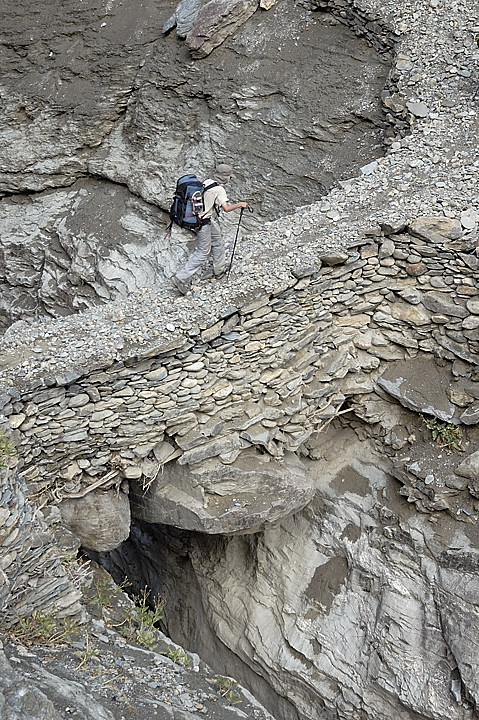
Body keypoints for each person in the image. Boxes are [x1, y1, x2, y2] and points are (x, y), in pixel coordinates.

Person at [171, 163, 248, 295]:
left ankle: (219, 270)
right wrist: (240, 204)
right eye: (229, 177)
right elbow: (226, 208)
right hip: (203, 223)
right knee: (203, 252)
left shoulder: (207, 182)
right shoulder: (219, 190)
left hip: (200, 220)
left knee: (217, 241)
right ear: (225, 177)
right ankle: (180, 278)